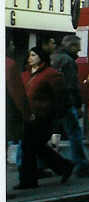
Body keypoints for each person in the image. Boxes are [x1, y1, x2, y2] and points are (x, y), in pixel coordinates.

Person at [17, 46, 73, 189]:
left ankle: (28, 181)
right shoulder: (25, 74)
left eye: (34, 55)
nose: (30, 58)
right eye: (29, 55)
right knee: (35, 147)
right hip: (28, 115)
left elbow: (60, 96)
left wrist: (56, 117)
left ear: (41, 57)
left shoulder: (51, 74)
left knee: (29, 146)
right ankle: (64, 166)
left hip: (44, 116)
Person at [51, 34, 89, 176]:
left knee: (45, 135)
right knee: (74, 133)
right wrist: (78, 105)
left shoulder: (53, 57)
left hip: (50, 102)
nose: (78, 53)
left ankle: (40, 165)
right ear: (71, 47)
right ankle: (81, 164)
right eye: (77, 49)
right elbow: (72, 86)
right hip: (66, 103)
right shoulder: (68, 61)